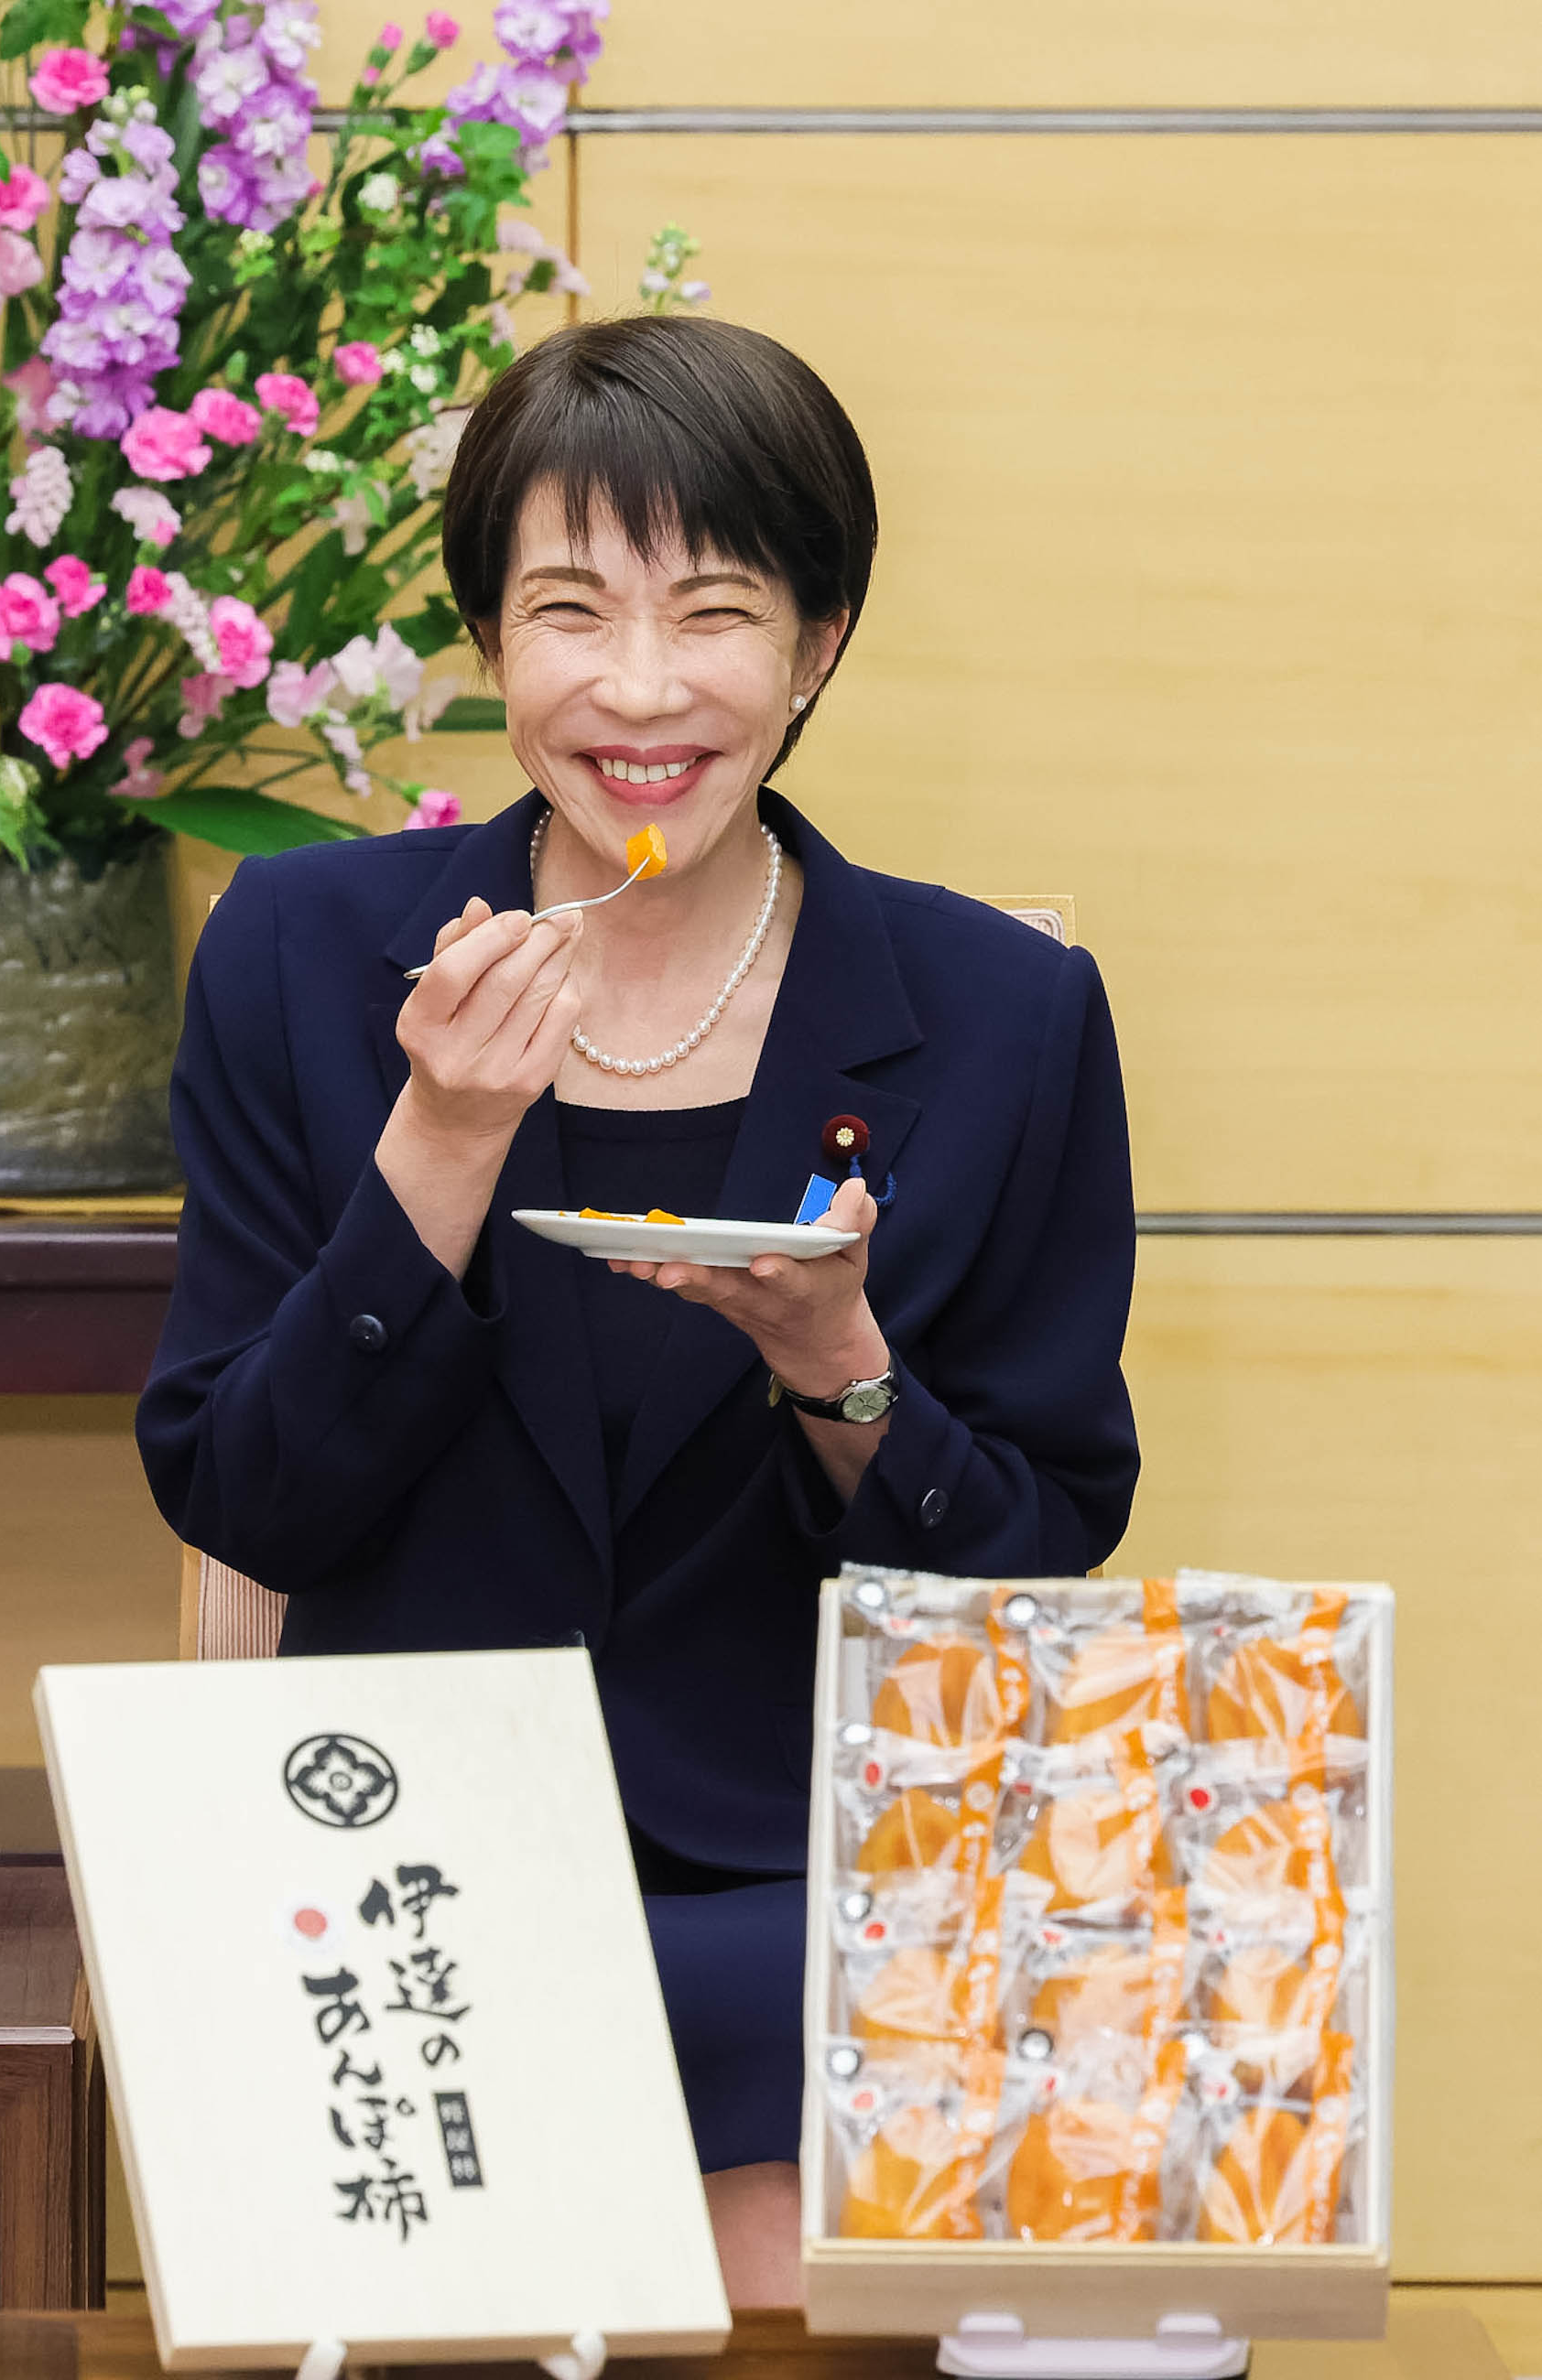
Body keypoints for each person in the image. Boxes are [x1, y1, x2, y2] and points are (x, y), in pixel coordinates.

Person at [136, 315, 1140, 2297]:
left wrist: (839, 1368)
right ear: (489, 640)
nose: (640, 689)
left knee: (773, 2189)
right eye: (569, 612)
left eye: (716, 613)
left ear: (820, 642)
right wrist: (436, 1144)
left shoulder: (1004, 1017)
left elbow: (1031, 1579)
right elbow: (243, 1500)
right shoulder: (302, 954)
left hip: (820, 1868)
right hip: (409, 1851)